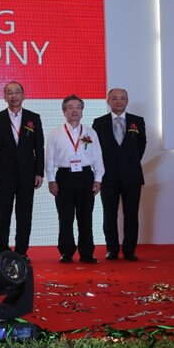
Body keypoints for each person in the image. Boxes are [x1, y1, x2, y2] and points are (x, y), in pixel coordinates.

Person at [0, 81, 45, 257]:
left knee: (24, 215)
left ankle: (21, 251)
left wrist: (39, 172)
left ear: (23, 95)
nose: (14, 96)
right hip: (3, 176)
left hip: (27, 175)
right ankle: (2, 251)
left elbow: (39, 148)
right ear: (5, 97)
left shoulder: (34, 118)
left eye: (17, 92)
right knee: (3, 215)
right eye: (9, 93)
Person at [46, 95, 104, 264]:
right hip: (64, 177)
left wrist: (98, 179)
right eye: (70, 107)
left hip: (85, 176)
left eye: (78, 107)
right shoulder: (56, 133)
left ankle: (87, 252)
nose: (74, 111)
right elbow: (49, 158)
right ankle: (66, 251)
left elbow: (97, 157)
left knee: (85, 216)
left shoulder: (90, 132)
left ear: (82, 111)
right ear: (64, 111)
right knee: (65, 216)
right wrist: (51, 180)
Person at [92, 88, 147, 261]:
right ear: (108, 101)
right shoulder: (99, 122)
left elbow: (141, 145)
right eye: (114, 98)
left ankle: (130, 250)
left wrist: (129, 163)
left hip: (132, 176)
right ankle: (112, 248)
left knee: (131, 214)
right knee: (109, 215)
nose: (118, 101)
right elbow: (95, 149)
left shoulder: (137, 121)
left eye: (122, 98)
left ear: (127, 101)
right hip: (108, 177)